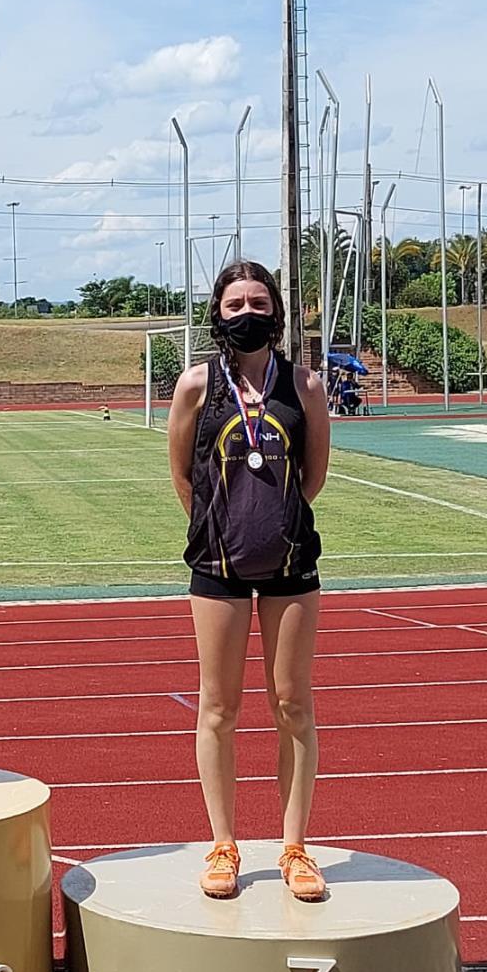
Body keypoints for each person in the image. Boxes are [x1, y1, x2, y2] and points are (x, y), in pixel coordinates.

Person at [166, 260, 331, 903]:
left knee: (292, 705)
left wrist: (275, 523)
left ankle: (293, 848)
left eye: (258, 301)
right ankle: (224, 844)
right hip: (217, 566)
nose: (246, 313)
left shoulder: (306, 386)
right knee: (219, 707)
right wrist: (220, 526)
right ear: (217, 311)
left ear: (277, 310)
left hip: (292, 564)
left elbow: (312, 477)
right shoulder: (195, 386)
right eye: (234, 304)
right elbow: (183, 475)